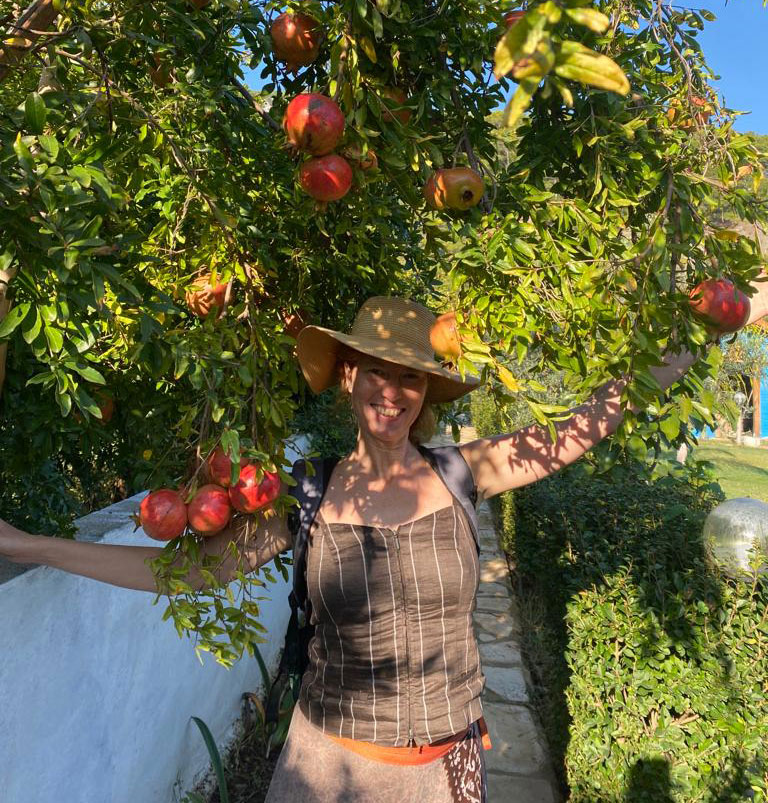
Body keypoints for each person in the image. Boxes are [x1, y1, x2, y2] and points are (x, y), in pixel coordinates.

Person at [1, 288, 767, 803]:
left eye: (410, 375)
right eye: (377, 370)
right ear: (348, 378)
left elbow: (573, 433)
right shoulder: (309, 489)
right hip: (321, 765)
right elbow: (194, 572)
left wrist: (690, 339)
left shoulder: (465, 471)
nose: (391, 389)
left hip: (441, 770)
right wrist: (36, 545)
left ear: (427, 391)